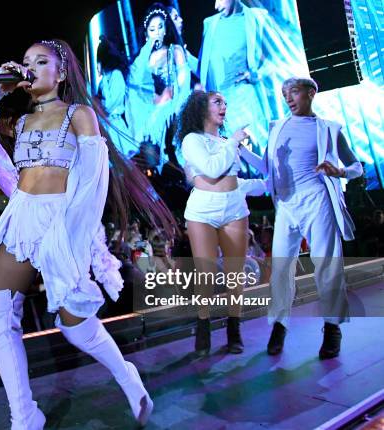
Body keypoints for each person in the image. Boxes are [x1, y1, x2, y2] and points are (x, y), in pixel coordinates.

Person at [0, 38, 177, 429]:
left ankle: (127, 376)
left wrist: (74, 235)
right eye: (26, 62)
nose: (31, 68)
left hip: (67, 220)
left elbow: (93, 180)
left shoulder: (79, 114)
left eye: (42, 61)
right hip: (23, 217)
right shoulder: (16, 122)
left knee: (75, 326)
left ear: (61, 72)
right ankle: (24, 416)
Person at [239, 77, 364, 359]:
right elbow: (268, 170)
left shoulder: (329, 129)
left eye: (293, 92)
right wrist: (243, 152)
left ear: (311, 93)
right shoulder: (277, 128)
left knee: (326, 264)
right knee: (281, 268)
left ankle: (332, 328)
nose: (288, 98)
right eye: (285, 94)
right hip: (286, 205)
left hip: (317, 199)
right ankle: (279, 326)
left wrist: (340, 172)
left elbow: (357, 166)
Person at [177, 90, 265, 355]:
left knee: (234, 275)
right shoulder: (192, 140)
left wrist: (267, 178)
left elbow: (247, 175)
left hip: (235, 209)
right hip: (203, 211)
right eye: (218, 102)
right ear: (202, 108)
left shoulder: (229, 141)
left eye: (225, 102)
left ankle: (233, 330)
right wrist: (234, 142)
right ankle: (203, 327)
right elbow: (213, 169)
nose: (224, 106)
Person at [196, 0, 274, 163]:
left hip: (245, 95)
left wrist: (255, 74)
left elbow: (273, 58)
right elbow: (201, 65)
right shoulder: (210, 24)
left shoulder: (257, 18)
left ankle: (273, 185)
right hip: (220, 102)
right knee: (235, 157)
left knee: (263, 148)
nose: (216, 5)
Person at [126, 3, 192, 172]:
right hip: (151, 116)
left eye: (160, 27)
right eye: (152, 29)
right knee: (154, 162)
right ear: (147, 33)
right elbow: (134, 83)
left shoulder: (174, 49)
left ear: (165, 29)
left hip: (172, 109)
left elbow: (184, 81)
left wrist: (179, 107)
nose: (156, 32)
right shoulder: (143, 58)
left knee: (178, 157)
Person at [96, 36, 139, 158]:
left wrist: (103, 79)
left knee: (123, 160)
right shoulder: (104, 81)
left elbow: (110, 104)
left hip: (116, 126)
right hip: (106, 126)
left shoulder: (116, 75)